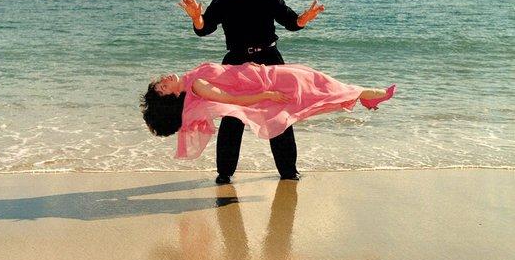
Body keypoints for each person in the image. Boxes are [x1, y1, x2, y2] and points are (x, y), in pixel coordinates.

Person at [178, 0, 324, 184]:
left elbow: (291, 22)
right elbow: (204, 29)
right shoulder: (221, 1)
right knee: (232, 118)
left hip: (269, 60)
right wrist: (197, 17)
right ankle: (224, 174)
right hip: (236, 64)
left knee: (279, 115)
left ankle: (288, 172)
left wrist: (306, 17)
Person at [141, 62, 396, 171]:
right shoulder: (196, 86)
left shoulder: (191, 79)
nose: (165, 80)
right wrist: (269, 94)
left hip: (266, 75)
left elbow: (229, 79)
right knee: (318, 88)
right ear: (172, 97)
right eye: (163, 88)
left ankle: (365, 97)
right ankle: (373, 94)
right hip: (268, 82)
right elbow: (232, 100)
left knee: (318, 88)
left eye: (160, 82)